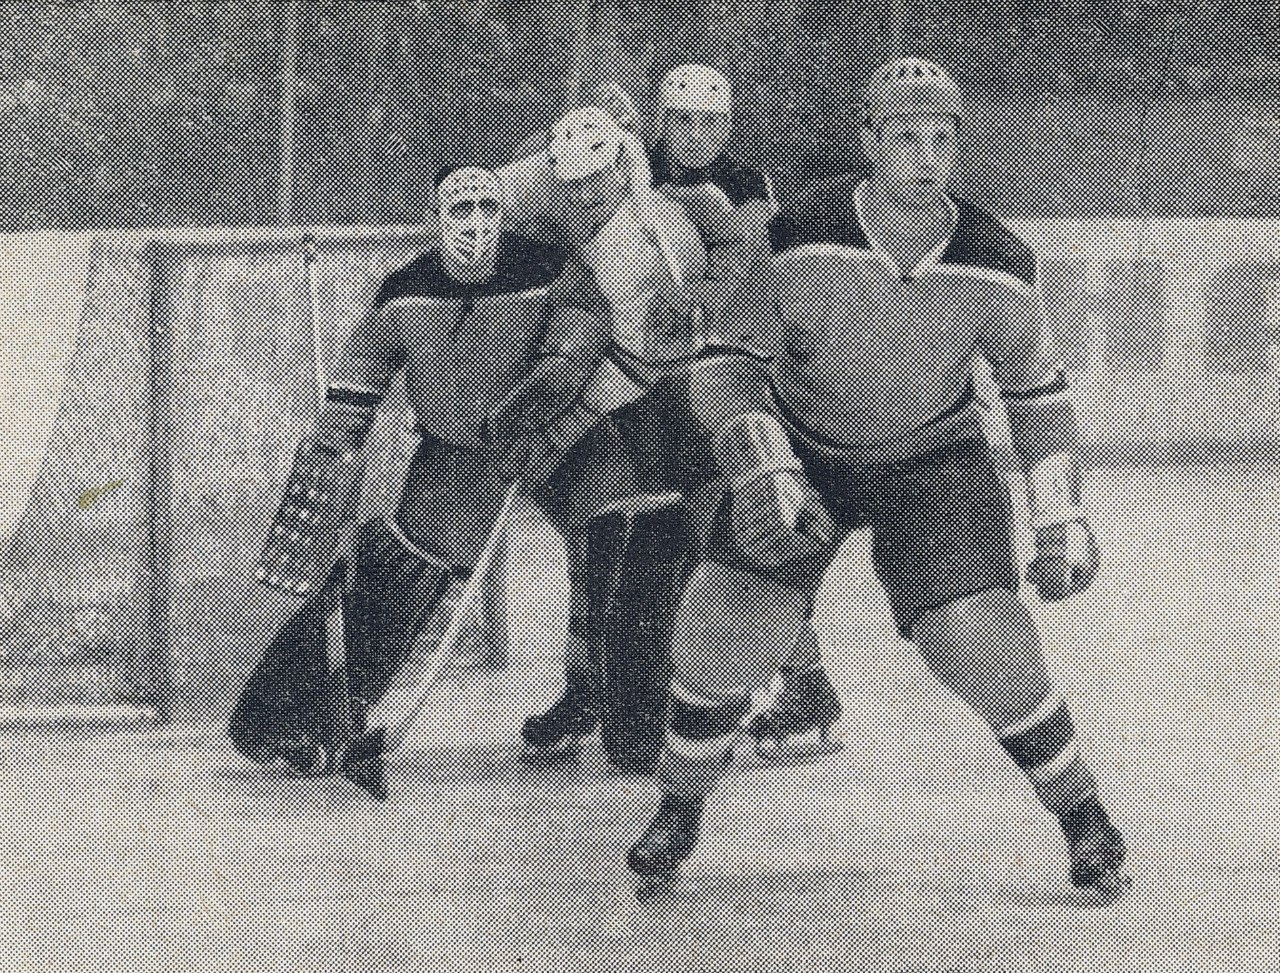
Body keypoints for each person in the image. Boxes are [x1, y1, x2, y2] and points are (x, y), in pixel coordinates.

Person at [614, 58, 1129, 897]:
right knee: (724, 628)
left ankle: (1083, 816)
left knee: (978, 635)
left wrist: (1059, 513)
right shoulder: (799, 235)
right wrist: (760, 463)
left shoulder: (997, 259)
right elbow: (724, 363)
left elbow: (1037, 392)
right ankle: (678, 807)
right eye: (904, 140)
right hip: (804, 449)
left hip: (932, 461)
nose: (925, 160)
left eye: (941, 141)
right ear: (867, 144)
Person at [228, 166, 566, 776]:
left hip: (558, 436)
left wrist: (538, 422)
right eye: (455, 211)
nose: (471, 226)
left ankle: (630, 708)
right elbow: (355, 387)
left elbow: (571, 354)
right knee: (401, 577)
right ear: (433, 221)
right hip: (450, 454)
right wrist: (318, 473)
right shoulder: (403, 291)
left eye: (484, 209)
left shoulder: (544, 273)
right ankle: (333, 718)